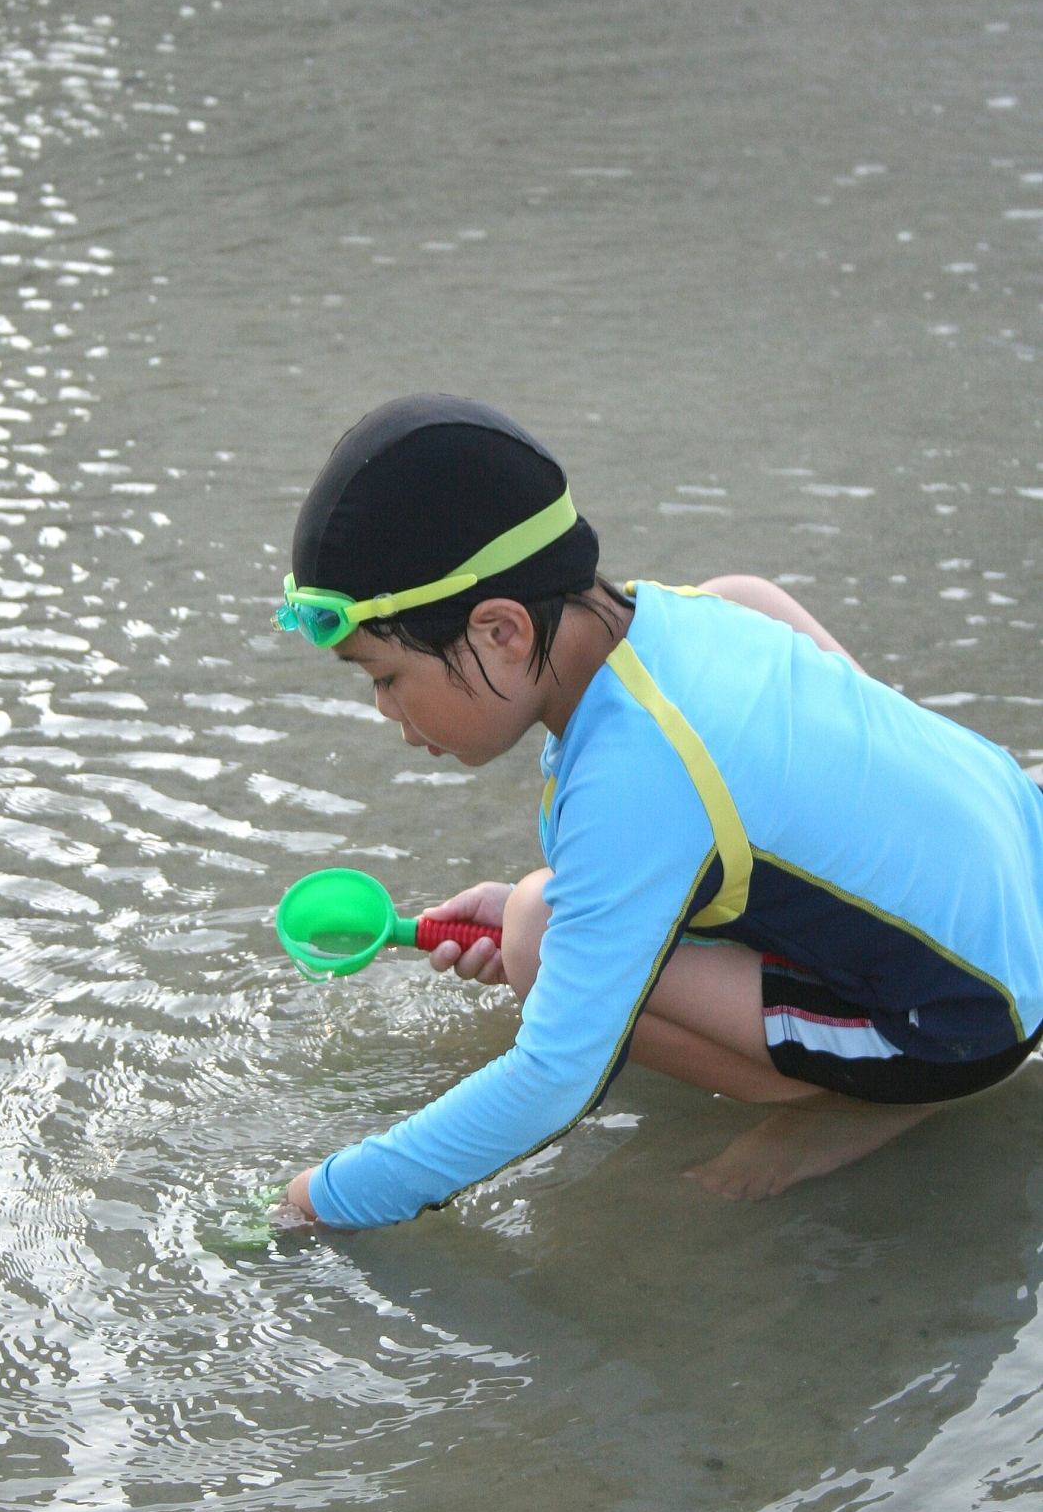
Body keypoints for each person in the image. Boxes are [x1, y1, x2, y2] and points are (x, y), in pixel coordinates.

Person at [270, 394, 1043, 1228]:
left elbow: (553, 1079)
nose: (385, 710)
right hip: (1024, 851)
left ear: (500, 631)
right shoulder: (689, 618)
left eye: (384, 677)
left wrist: (326, 1200)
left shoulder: (633, 774)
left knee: (539, 936)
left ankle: (863, 1101)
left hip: (969, 1019)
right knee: (745, 606)